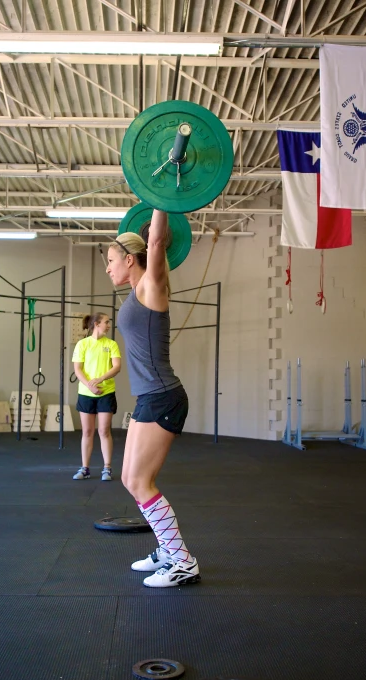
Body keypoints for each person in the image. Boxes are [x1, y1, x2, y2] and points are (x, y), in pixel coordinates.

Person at [106, 210, 200, 588]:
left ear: (130, 259)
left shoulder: (151, 285)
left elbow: (157, 241)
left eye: (111, 261)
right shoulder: (136, 292)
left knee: (141, 481)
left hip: (162, 396)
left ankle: (182, 562)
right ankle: (167, 547)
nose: (108, 269)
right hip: (149, 397)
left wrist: (159, 198)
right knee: (131, 478)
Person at [72, 313, 121, 481]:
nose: (109, 325)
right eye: (106, 322)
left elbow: (117, 367)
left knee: (104, 430)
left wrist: (99, 380)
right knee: (87, 431)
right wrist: (90, 385)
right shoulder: (82, 344)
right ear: (97, 324)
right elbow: (78, 369)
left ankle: (107, 468)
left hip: (106, 392)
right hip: (86, 393)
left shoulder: (112, 344)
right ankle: (85, 468)